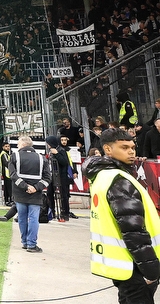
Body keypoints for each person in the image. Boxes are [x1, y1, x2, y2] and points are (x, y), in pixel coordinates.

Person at [87, 127, 160, 302]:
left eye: (132, 147)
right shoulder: (119, 180)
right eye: (124, 148)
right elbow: (133, 230)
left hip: (123, 265)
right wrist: (151, 271)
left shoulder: (102, 175)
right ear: (108, 149)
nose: (131, 152)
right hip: (135, 266)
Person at [8, 135, 51, 253]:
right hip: (35, 194)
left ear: (22, 145)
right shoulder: (42, 158)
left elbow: (12, 175)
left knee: (22, 218)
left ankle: (25, 242)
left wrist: (24, 186)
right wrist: (36, 188)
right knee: (33, 218)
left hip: (19, 193)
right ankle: (32, 244)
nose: (17, 146)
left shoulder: (14, 156)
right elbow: (47, 178)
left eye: (17, 144)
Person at [0, 140, 13, 206]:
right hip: (7, 173)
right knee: (9, 187)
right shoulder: (4, 154)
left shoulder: (6, 154)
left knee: (7, 188)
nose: (8, 147)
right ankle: (10, 200)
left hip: (6, 173)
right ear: (3, 147)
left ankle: (7, 200)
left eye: (8, 146)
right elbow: (7, 163)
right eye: (6, 146)